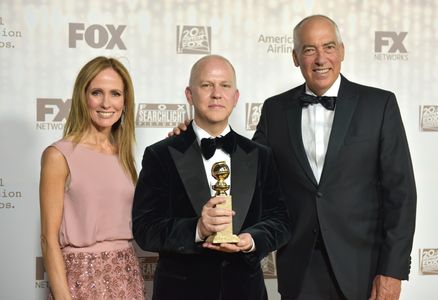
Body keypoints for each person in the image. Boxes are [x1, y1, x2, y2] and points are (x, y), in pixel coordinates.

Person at [252, 15, 416, 300]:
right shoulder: (275, 110)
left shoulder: (379, 105)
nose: (320, 59)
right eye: (308, 49)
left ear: (342, 51)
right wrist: (197, 136)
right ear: (294, 57)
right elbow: (249, 171)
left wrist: (392, 271)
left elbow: (401, 194)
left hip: (363, 269)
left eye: (328, 47)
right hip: (300, 269)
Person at [132, 55, 292, 300]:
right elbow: (145, 229)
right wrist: (197, 228)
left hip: (246, 292)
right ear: (189, 94)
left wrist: (251, 240)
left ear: (235, 97)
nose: (216, 94)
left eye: (225, 86)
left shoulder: (260, 155)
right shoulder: (160, 155)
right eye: (206, 85)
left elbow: (280, 220)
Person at [39, 56, 144, 300]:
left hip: (126, 275)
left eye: (116, 94)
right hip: (81, 279)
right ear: (82, 97)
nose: (107, 103)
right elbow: (48, 239)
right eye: (97, 92)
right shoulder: (59, 155)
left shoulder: (124, 156)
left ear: (125, 101)